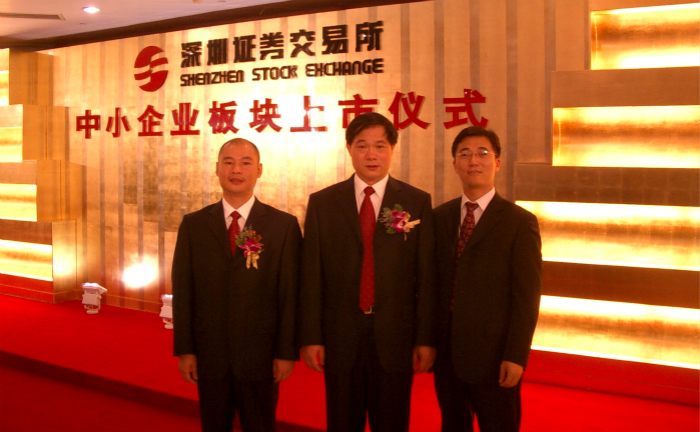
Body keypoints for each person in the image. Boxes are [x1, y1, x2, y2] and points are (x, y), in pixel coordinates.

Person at [299, 112, 437, 432]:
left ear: (392, 149)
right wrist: (311, 336)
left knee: (392, 423)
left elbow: (427, 277)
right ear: (349, 149)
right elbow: (311, 276)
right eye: (362, 146)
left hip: (396, 337)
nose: (371, 154)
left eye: (380, 146)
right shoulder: (323, 203)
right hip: (339, 336)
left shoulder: (416, 201)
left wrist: (425, 338)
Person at [172, 138, 302, 432]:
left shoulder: (282, 226)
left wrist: (285, 352)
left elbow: (290, 294)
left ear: (259, 170)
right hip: (210, 354)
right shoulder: (194, 225)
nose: (236, 170)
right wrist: (186, 349)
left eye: (245, 163)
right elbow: (183, 291)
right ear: (217, 169)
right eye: (228, 162)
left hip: (261, 356)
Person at [433, 126, 542, 432]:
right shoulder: (439, 217)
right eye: (464, 154)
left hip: (495, 357)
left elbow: (527, 297)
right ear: (455, 164)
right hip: (447, 355)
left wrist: (516, 356)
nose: (473, 161)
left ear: (497, 162)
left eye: (482, 153)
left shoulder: (519, 222)